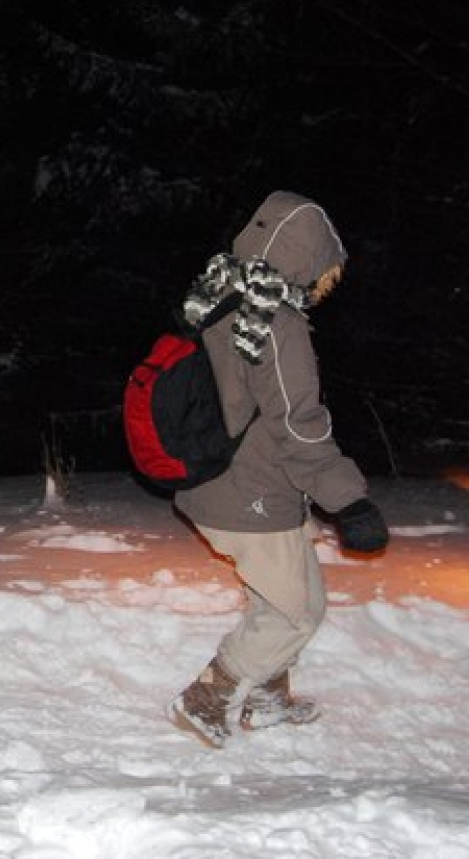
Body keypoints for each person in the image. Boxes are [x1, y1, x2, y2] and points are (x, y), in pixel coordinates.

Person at [169, 191, 389, 748]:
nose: (327, 285)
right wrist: (348, 501)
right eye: (327, 271)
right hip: (250, 491)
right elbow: (300, 425)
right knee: (297, 612)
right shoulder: (276, 322)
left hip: (213, 476)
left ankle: (267, 698)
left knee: (281, 594)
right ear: (307, 258)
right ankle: (207, 697)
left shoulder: (217, 293)